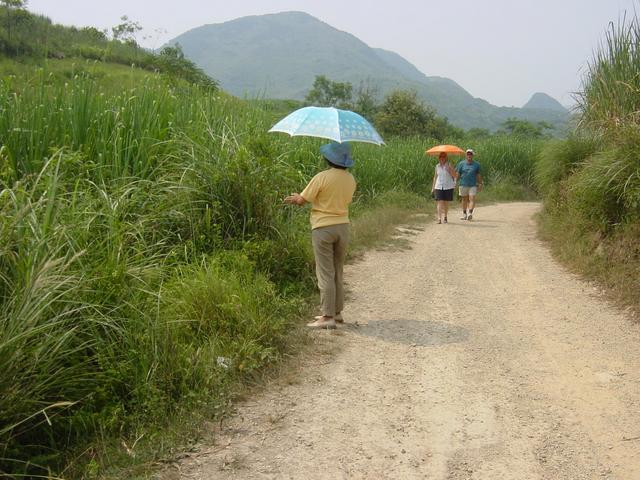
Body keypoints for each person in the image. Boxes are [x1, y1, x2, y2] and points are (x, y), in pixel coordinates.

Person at [284, 142, 357, 330]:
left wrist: (294, 198)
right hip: (343, 226)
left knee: (325, 273)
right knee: (337, 270)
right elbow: (346, 200)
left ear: (328, 159)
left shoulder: (321, 177)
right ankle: (337, 313)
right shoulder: (350, 179)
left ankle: (327, 316)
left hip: (323, 228)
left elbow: (302, 200)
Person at [456, 149, 483, 221]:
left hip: (472, 185)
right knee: (464, 199)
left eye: (470, 154)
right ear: (466, 155)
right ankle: (464, 214)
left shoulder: (476, 165)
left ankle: (470, 213)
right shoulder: (461, 164)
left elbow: (478, 175)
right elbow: (458, 174)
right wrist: (455, 182)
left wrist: (480, 183)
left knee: (472, 198)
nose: (469, 155)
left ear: (472, 155)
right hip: (463, 184)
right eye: (468, 154)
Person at [431, 152, 457, 224]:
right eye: (441, 157)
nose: (442, 158)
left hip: (448, 186)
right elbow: (435, 177)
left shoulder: (449, 165)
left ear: (446, 158)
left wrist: (449, 170)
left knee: (446, 203)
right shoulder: (437, 166)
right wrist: (433, 188)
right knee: (440, 202)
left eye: (443, 157)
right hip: (438, 186)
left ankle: (445, 216)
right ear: (439, 158)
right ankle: (439, 218)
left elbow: (455, 175)